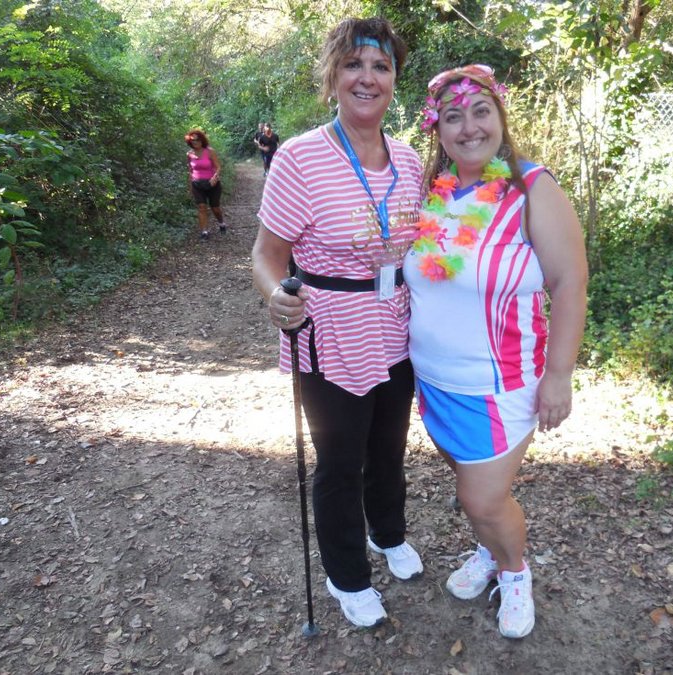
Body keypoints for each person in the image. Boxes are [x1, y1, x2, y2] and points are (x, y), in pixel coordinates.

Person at [404, 64, 588, 639]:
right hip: (433, 382)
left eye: (480, 112)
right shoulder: (432, 193)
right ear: (437, 130)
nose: (469, 128)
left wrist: (559, 374)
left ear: (501, 117)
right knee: (475, 489)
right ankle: (488, 551)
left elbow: (570, 282)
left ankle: (513, 571)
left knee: (482, 499)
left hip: (500, 385)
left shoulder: (532, 187)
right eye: (453, 117)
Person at [251, 17, 424, 629]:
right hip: (328, 331)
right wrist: (276, 297)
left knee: (389, 448)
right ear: (332, 76)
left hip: (396, 327)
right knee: (341, 460)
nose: (367, 78)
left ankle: (387, 533)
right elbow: (266, 255)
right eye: (353, 64)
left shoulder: (410, 161)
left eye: (380, 66)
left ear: (394, 80)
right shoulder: (299, 158)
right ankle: (346, 574)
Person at [185, 129, 226, 240]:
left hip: (212, 184)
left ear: (202, 140)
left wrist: (215, 177)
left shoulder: (209, 151)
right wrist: (190, 185)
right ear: (189, 141)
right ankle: (204, 232)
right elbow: (190, 170)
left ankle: (221, 223)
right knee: (202, 207)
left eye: (197, 140)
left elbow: (218, 167)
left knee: (215, 208)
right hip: (197, 184)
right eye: (193, 140)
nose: (195, 142)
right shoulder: (189, 154)